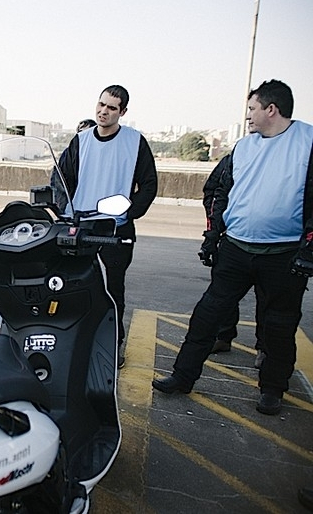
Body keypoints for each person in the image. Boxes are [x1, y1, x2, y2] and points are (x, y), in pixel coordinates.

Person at [152, 79, 313, 416]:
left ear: (272, 109)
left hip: (283, 256)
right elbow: (220, 193)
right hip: (236, 250)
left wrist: (308, 251)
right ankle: (182, 377)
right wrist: (213, 237)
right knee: (207, 315)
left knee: (280, 327)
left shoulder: (308, 142)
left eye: (252, 109)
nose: (248, 116)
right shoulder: (243, 147)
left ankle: (272, 390)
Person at [57, 85, 158, 367]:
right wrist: (63, 213)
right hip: (83, 226)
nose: (104, 111)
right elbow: (63, 178)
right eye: (101, 104)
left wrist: (130, 212)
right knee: (75, 286)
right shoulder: (81, 140)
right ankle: (77, 338)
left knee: (114, 291)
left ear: (122, 112)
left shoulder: (135, 142)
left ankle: (114, 343)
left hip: (116, 228)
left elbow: (149, 183)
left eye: (112, 107)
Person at [201, 157, 265, 367]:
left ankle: (265, 348)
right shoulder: (237, 156)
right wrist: (214, 232)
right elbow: (212, 192)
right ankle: (222, 336)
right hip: (233, 240)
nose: (250, 122)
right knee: (223, 295)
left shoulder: (290, 158)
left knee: (269, 301)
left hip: (277, 246)